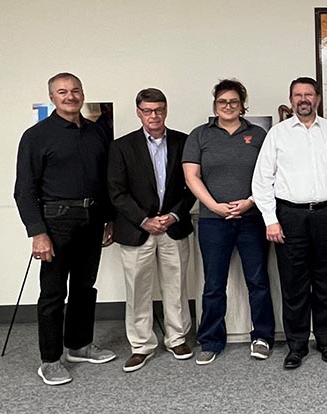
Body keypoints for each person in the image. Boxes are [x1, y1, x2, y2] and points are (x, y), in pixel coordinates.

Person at [14, 72, 117, 385]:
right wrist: (37, 233)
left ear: (83, 93)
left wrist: (109, 218)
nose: (70, 96)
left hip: (93, 218)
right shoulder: (36, 136)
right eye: (62, 91)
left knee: (85, 288)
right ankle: (50, 359)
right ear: (52, 97)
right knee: (53, 292)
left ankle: (79, 345)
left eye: (75, 90)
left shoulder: (97, 132)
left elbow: (105, 181)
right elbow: (24, 189)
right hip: (55, 221)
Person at [253, 77, 327, 369]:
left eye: (309, 94)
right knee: (294, 284)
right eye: (298, 95)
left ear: (318, 99)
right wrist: (271, 220)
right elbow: (262, 180)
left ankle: (326, 341)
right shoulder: (277, 134)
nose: (304, 99)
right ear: (291, 100)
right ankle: (297, 345)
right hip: (289, 217)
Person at [182, 79, 275, 365]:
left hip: (252, 218)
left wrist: (249, 202)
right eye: (222, 102)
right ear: (215, 105)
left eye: (234, 101)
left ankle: (262, 337)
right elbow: (191, 176)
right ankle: (211, 340)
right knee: (213, 284)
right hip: (213, 221)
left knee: (258, 281)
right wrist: (215, 207)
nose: (228, 106)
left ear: (242, 105)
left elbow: (270, 174)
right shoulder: (199, 135)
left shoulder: (259, 134)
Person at [107, 88, 196, 372]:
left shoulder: (184, 142)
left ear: (166, 110)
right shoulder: (121, 146)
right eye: (147, 110)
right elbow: (116, 192)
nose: (154, 115)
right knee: (138, 290)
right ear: (139, 112)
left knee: (177, 285)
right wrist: (144, 219)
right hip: (137, 229)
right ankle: (141, 345)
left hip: (174, 226)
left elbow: (192, 186)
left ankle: (177, 337)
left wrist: (172, 215)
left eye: (159, 109)